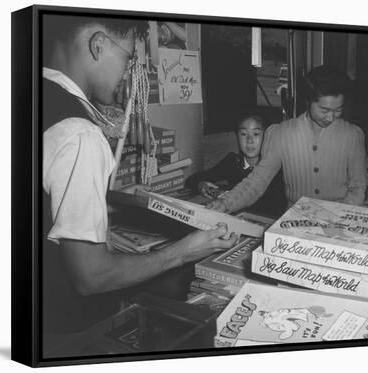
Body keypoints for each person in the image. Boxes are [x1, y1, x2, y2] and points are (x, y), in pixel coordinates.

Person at [41, 16, 237, 332]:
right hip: (60, 327)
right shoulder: (79, 135)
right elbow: (92, 277)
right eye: (129, 58)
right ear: (98, 45)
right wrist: (185, 251)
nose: (129, 74)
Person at [208, 65, 367, 213]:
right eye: (324, 110)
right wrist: (226, 202)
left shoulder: (352, 136)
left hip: (339, 219)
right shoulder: (281, 133)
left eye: (338, 110)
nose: (331, 117)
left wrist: (335, 218)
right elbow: (257, 181)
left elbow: (358, 188)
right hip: (294, 220)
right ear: (308, 101)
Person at [186, 115, 287, 217]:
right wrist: (201, 185)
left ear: (266, 137)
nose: (249, 140)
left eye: (256, 134)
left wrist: (227, 195)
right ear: (237, 137)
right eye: (243, 134)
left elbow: (275, 206)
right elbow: (193, 179)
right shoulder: (232, 162)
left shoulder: (274, 167)